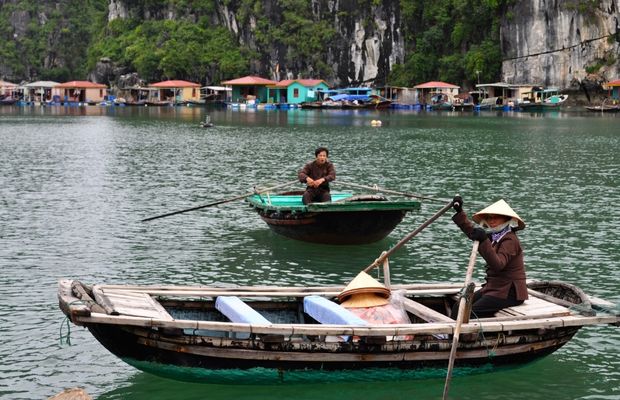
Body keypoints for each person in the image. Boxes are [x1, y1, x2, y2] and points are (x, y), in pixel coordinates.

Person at [450, 195, 528, 319]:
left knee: (471, 312)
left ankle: (466, 336)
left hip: (509, 292)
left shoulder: (510, 240)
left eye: (496, 217)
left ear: (506, 219)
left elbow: (498, 265)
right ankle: (448, 333)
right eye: (489, 217)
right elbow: (474, 233)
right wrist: (460, 213)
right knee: (459, 306)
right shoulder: (495, 236)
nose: (491, 220)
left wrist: (484, 239)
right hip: (493, 288)